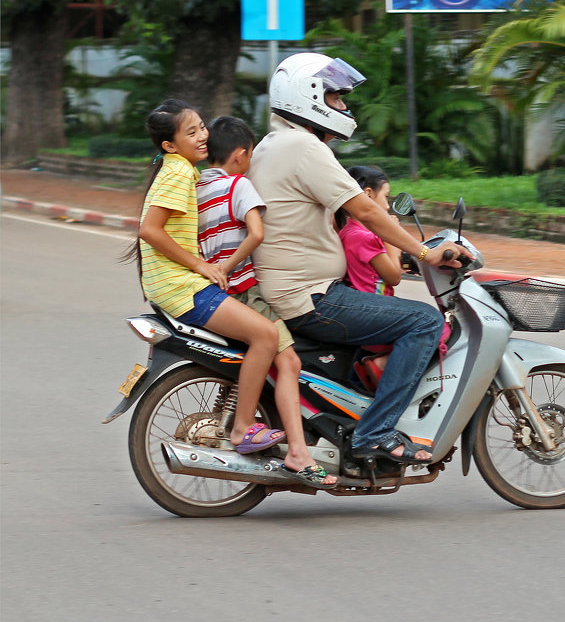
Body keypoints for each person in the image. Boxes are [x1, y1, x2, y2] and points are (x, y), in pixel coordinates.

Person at [247, 53, 471, 466]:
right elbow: (367, 211)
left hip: (292, 287)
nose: (344, 108)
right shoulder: (303, 146)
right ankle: (376, 433)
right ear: (308, 97)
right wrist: (424, 252)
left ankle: (352, 414)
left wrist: (400, 258)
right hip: (311, 296)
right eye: (335, 98)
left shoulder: (275, 143)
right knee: (424, 322)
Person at [132, 100, 335, 488]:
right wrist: (201, 266)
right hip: (182, 287)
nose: (202, 135)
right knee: (267, 334)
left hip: (175, 285)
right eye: (190, 132)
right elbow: (150, 231)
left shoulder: (189, 173)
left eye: (202, 127)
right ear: (170, 145)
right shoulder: (179, 172)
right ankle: (243, 429)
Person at [335, 165, 402, 390]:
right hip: (374, 313)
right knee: (435, 327)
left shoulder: (348, 231)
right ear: (368, 195)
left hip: (361, 308)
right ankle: (382, 364)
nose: (388, 205)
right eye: (386, 196)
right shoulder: (364, 237)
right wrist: (392, 236)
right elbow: (393, 276)